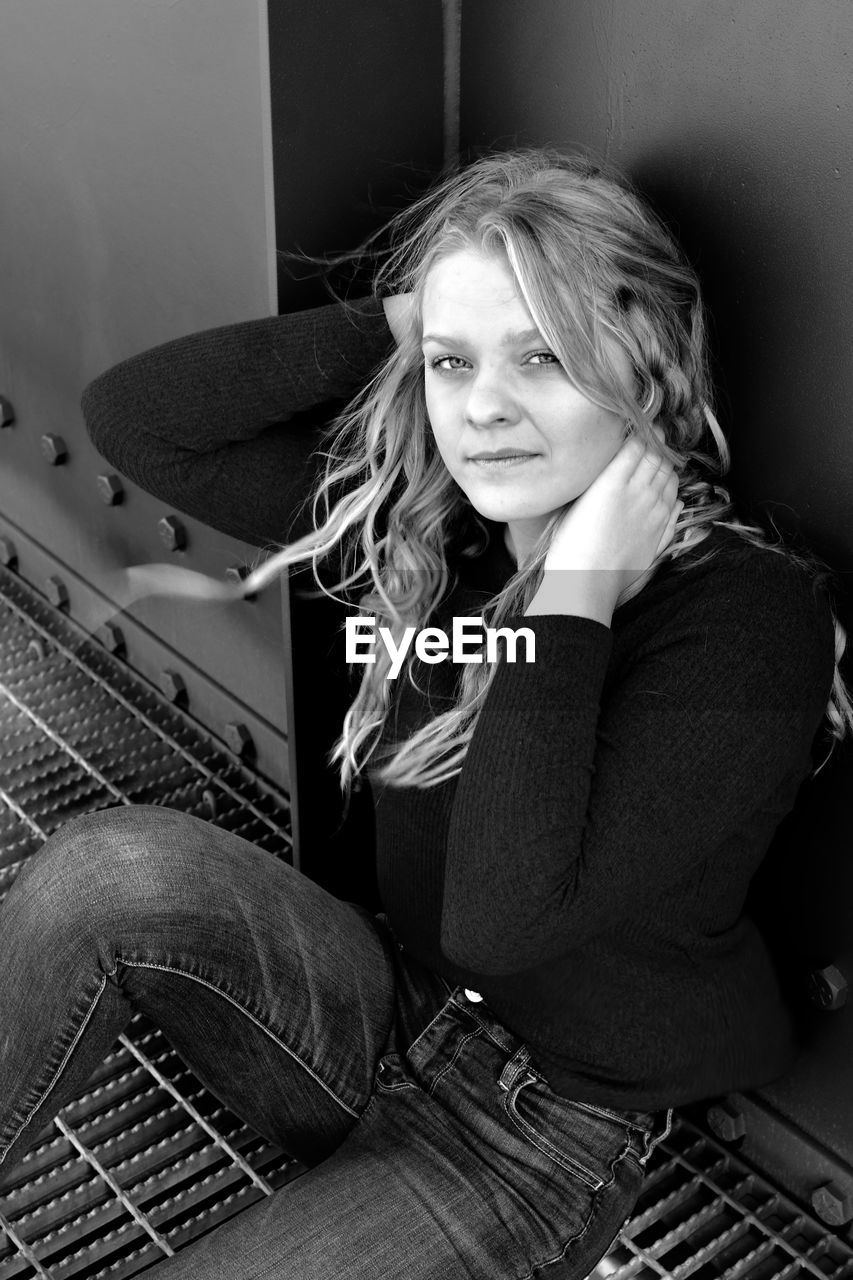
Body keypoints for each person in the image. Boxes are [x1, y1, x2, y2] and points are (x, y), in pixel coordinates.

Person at [1, 149, 850, 1279]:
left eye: (543, 355)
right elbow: (141, 422)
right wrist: (415, 311)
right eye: (454, 364)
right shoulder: (435, 531)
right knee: (100, 873)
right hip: (384, 1004)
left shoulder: (745, 620)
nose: (485, 407)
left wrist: (574, 595)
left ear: (645, 370)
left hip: (535, 1138)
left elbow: (504, 915)